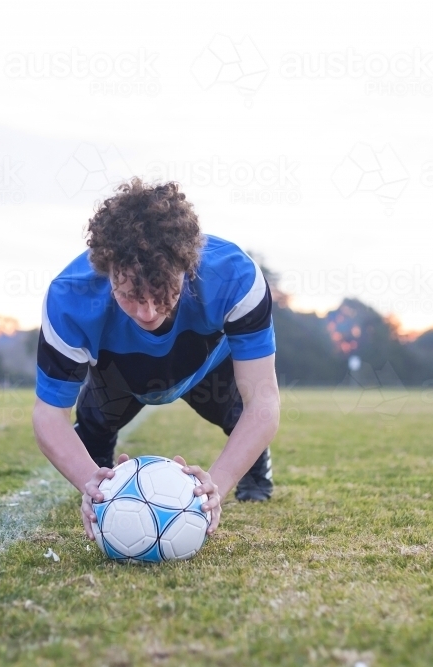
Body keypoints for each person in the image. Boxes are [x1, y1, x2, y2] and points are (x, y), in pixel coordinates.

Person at [32, 178, 281, 539]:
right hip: (120, 372)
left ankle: (256, 469)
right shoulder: (70, 297)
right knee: (93, 430)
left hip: (204, 364)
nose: (148, 312)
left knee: (239, 413)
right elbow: (49, 414)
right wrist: (92, 483)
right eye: (131, 294)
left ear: (188, 267)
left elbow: (264, 399)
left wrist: (217, 485)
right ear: (107, 268)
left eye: (164, 292)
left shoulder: (234, 276)